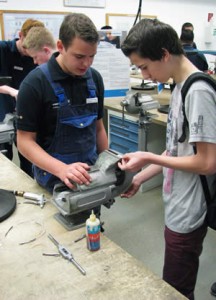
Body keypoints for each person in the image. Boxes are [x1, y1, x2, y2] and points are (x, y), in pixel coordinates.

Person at [118, 18, 216, 300]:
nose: (144, 75)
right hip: (177, 203)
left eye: (145, 66)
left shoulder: (197, 91)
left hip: (189, 210)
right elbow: (176, 148)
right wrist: (140, 176)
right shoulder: (179, 86)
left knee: (175, 289)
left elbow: (207, 162)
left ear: (164, 53)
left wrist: (147, 155)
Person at [16, 13, 108, 197]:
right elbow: (24, 141)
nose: (86, 63)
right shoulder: (35, 83)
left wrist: (108, 164)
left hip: (90, 177)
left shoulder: (94, 78)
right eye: (79, 56)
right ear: (60, 46)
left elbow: (98, 129)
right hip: (53, 182)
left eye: (92, 56)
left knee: (92, 224)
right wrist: (62, 169)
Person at [0, 18, 45, 175]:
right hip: (3, 115)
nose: (32, 51)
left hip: (27, 117)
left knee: (30, 163)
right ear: (21, 35)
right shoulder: (2, 50)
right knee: (4, 163)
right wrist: (11, 91)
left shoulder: (36, 57)